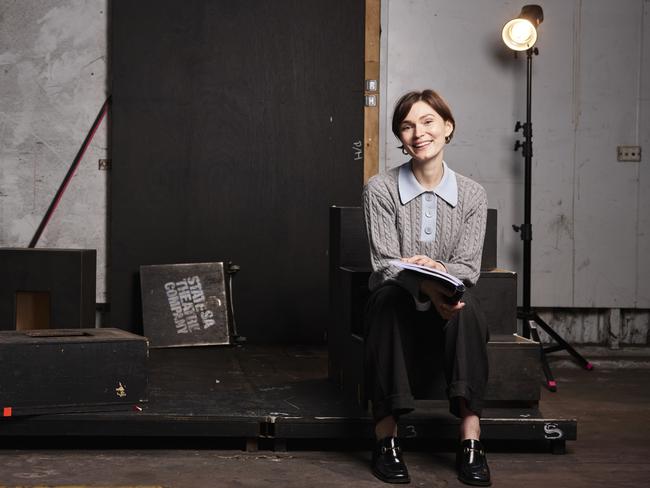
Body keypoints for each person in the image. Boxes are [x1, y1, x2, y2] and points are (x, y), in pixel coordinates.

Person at [362, 89, 491, 486]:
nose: (418, 132)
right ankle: (386, 440)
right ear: (401, 138)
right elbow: (384, 262)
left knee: (467, 312)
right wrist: (423, 285)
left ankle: (471, 441)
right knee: (386, 302)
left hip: (448, 300)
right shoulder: (379, 189)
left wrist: (439, 274)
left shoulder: (472, 194)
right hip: (398, 301)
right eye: (407, 126)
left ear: (447, 127)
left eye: (428, 121)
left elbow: (469, 266)